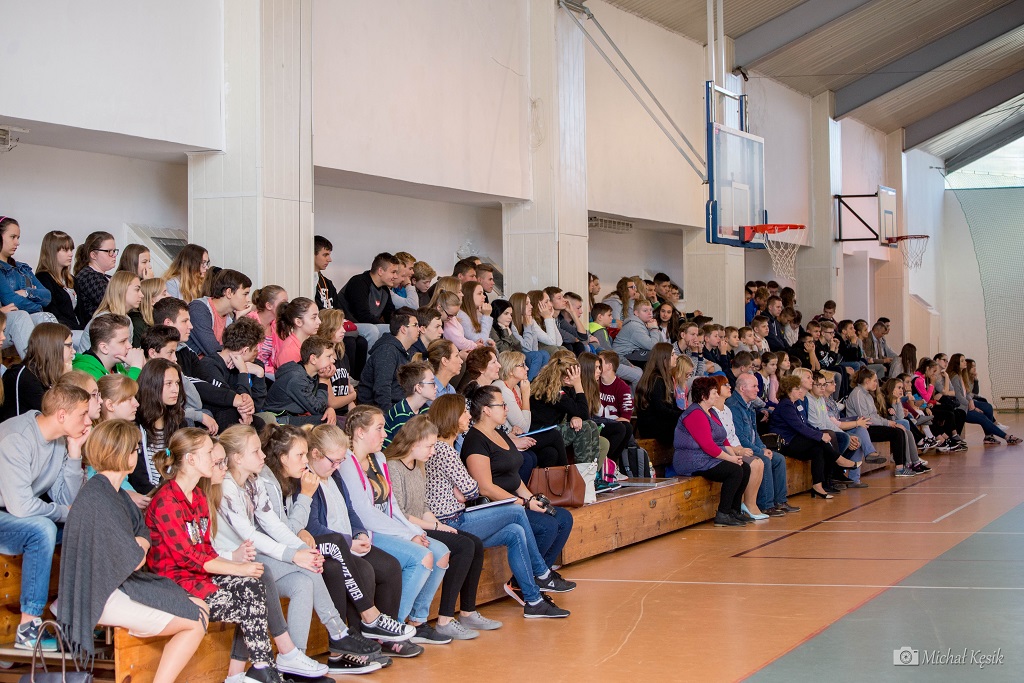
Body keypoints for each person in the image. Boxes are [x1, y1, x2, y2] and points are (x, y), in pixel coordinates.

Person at [144, 428, 320, 683]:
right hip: (177, 584)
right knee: (251, 600)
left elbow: (206, 550)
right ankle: (262, 670)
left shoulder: (198, 496)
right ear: (191, 460)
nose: (217, 459)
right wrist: (237, 568)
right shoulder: (167, 502)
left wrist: (240, 567)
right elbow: (189, 558)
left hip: (199, 577)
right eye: (209, 453)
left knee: (254, 585)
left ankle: (258, 669)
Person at [214, 425, 380, 674]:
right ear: (237, 458)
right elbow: (252, 535)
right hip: (233, 560)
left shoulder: (254, 481)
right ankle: (337, 631)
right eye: (256, 451)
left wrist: (303, 550)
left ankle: (295, 660)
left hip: (255, 556)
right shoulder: (229, 486)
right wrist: (296, 555)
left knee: (303, 582)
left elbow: (274, 525)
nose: (263, 455)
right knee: (309, 567)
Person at [57, 419, 206, 682]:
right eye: (135, 449)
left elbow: (142, 534)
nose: (137, 454)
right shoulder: (98, 496)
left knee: (199, 606)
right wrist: (140, 545)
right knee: (196, 620)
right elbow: (133, 558)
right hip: (101, 594)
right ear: (122, 453)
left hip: (117, 585)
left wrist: (141, 543)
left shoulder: (115, 493)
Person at [424, 394, 570, 618]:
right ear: (452, 416)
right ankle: (541, 572)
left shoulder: (446, 448)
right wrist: (463, 491)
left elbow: (467, 490)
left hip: (457, 515)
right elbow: (472, 489)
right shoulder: (445, 450)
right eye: (464, 412)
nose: (468, 416)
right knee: (515, 511)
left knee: (515, 532)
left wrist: (462, 491)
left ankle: (533, 601)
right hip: (451, 522)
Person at [302, 424, 420, 660]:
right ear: (315, 454)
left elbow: (350, 510)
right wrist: (348, 543)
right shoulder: (306, 480)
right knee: (364, 571)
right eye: (333, 461)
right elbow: (312, 527)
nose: (338, 466)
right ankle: (359, 639)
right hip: (330, 546)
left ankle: (383, 637)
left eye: (340, 461)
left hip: (348, 542)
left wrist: (359, 533)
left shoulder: (334, 474)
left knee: (390, 566)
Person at [339, 406, 451, 646]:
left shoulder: (378, 458)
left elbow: (392, 506)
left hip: (389, 527)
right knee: (423, 557)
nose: (385, 434)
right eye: (379, 428)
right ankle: (393, 627)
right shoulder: (347, 462)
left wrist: (414, 531)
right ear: (360, 432)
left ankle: (417, 622)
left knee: (441, 553)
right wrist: (407, 535)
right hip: (368, 532)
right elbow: (364, 514)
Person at [460, 385, 575, 601]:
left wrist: (530, 498)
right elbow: (485, 487)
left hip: (516, 500)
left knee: (563, 518)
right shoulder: (475, 440)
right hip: (498, 506)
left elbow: (513, 475)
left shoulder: (500, 434)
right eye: (501, 405)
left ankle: (531, 579)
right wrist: (523, 503)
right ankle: (530, 580)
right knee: (547, 526)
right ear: (486, 410)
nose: (506, 409)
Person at [386, 415, 494, 640]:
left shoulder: (418, 465)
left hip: (422, 524)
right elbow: (400, 514)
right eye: (429, 446)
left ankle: (467, 611)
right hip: (407, 527)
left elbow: (423, 505)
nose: (433, 451)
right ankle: (443, 619)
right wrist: (435, 526)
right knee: (463, 546)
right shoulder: (393, 467)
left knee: (473, 543)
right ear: (413, 443)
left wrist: (439, 525)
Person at [0, 383, 91, 651]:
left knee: (84, 525)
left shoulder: (60, 440)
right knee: (42, 530)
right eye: (83, 414)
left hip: (16, 514)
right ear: (61, 415)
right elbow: (22, 507)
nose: (88, 421)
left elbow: (67, 500)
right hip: (8, 513)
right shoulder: (17, 438)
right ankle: (28, 627)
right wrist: (64, 512)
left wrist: (74, 452)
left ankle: (71, 613)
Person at [673, 377, 751, 527]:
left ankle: (734, 510)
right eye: (714, 393)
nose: (717, 396)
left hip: (708, 457)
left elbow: (724, 439)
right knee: (734, 471)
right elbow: (707, 445)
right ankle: (723, 514)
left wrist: (734, 456)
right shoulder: (695, 414)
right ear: (704, 396)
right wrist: (730, 459)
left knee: (744, 467)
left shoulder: (711, 412)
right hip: (692, 460)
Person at [771, 374, 860, 498]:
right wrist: (820, 436)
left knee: (817, 450)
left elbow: (805, 424)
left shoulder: (794, 403)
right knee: (820, 441)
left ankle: (818, 486)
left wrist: (820, 433)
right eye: (797, 388)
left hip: (795, 440)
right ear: (788, 390)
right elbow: (799, 427)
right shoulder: (786, 405)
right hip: (786, 442)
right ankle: (839, 460)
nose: (800, 390)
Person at [727, 373, 798, 516]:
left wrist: (763, 448)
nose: (757, 390)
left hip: (752, 446)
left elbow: (755, 433)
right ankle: (766, 505)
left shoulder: (749, 405)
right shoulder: (734, 406)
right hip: (740, 449)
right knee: (764, 459)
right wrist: (760, 451)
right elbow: (740, 437)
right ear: (742, 388)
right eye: (754, 386)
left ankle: (780, 501)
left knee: (778, 458)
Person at [493, 350, 568, 469]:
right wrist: (526, 395)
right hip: (505, 438)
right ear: (510, 370)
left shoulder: (516, 388)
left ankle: (555, 480)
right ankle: (570, 474)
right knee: (555, 435)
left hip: (516, 434)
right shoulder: (503, 389)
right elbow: (524, 427)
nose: (527, 368)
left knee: (550, 453)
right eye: (522, 365)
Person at [708, 376, 766, 519]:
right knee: (749, 464)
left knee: (758, 462)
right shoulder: (712, 411)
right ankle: (740, 507)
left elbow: (733, 435)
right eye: (725, 385)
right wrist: (738, 451)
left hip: (733, 448)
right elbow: (718, 440)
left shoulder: (727, 410)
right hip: (724, 452)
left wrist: (740, 448)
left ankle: (748, 504)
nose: (730, 387)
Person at [128, 358, 187, 495]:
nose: (175, 389)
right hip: (145, 497)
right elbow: (137, 476)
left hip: (172, 494)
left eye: (177, 383)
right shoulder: (134, 424)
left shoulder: (179, 422)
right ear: (152, 385)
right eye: (169, 384)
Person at [196, 317, 267, 429]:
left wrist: (260, 374)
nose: (256, 354)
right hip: (217, 422)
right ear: (245, 350)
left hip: (238, 419)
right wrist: (243, 372)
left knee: (262, 423)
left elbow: (255, 407)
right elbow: (227, 399)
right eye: (254, 350)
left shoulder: (251, 365)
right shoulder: (209, 365)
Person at [846, 368, 917, 477]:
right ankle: (900, 468)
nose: (876, 383)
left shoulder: (868, 395)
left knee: (899, 431)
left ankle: (903, 466)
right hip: (861, 428)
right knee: (896, 433)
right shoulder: (858, 394)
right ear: (867, 381)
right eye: (874, 381)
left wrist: (889, 422)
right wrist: (888, 423)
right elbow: (865, 418)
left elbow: (875, 416)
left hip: (870, 426)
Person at [2, 322, 74, 419]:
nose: (73, 351)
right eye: (69, 346)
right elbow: (57, 416)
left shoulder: (46, 374)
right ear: (53, 347)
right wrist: (65, 380)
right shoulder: (24, 377)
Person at [356, 307, 419, 412]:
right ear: (403, 329)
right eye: (415, 325)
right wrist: (389, 416)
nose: (419, 329)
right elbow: (382, 389)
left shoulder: (409, 351)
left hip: (400, 406)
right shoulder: (387, 350)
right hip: (374, 412)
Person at [264, 336, 337, 426]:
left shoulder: (313, 374)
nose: (333, 360)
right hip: (278, 420)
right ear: (313, 359)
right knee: (325, 421)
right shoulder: (296, 378)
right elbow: (318, 410)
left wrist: (330, 409)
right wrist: (324, 381)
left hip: (291, 416)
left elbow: (320, 405)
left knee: (333, 419)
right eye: (329, 356)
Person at [948, 353, 1020, 445]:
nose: (965, 362)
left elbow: (967, 392)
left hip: (966, 404)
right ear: (956, 363)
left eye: (965, 360)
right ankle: (1006, 436)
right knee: (983, 417)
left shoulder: (961, 375)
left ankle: (989, 435)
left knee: (987, 407)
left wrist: (970, 400)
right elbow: (959, 396)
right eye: (962, 361)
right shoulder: (955, 377)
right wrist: (973, 406)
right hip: (961, 408)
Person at [187, 269, 253, 358]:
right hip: (197, 365)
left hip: (218, 365)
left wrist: (238, 319)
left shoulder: (231, 316)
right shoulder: (198, 309)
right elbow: (214, 351)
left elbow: (242, 349)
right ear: (229, 293)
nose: (248, 299)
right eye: (245, 294)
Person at [342, 252, 402, 348]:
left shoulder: (385, 290)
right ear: (380, 271)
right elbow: (362, 316)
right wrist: (383, 325)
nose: (396, 276)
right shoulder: (359, 282)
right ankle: (371, 359)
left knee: (397, 329)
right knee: (372, 330)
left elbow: (390, 315)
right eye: (393, 272)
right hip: (349, 324)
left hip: (369, 325)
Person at [77, 270, 144, 353]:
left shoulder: (127, 319)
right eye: (137, 289)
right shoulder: (105, 321)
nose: (142, 295)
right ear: (121, 290)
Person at [635, 343, 683, 446]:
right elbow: (661, 410)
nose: (676, 357)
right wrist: (682, 415)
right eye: (672, 354)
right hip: (653, 427)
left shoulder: (667, 377)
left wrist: (684, 413)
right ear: (663, 359)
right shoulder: (656, 380)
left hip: (663, 422)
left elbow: (673, 406)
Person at [71, 313, 145, 380]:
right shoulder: (85, 372)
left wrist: (144, 368)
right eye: (123, 341)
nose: (130, 346)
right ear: (104, 348)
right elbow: (126, 390)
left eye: (128, 340)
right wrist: (136, 367)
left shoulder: (116, 366)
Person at [35, 230, 82, 330]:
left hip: (78, 330)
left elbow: (81, 313)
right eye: (65, 250)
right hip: (61, 331)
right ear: (52, 252)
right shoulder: (43, 278)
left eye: (71, 250)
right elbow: (53, 314)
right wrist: (80, 329)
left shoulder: (72, 279)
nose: (71, 254)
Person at [317, 309, 359, 417]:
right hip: (330, 415)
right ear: (327, 328)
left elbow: (347, 389)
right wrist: (354, 395)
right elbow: (332, 403)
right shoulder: (323, 359)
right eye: (338, 327)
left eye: (342, 326)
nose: (343, 330)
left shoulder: (342, 355)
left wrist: (356, 416)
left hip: (344, 411)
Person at [383, 361, 436, 446]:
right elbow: (405, 448)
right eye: (432, 383)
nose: (436, 387)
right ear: (418, 388)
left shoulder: (425, 409)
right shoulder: (401, 413)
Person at [507, 292, 555, 380]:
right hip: (515, 356)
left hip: (527, 355)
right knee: (537, 355)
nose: (531, 306)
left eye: (530, 303)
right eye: (527, 304)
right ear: (518, 306)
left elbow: (534, 348)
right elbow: (527, 348)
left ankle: (539, 383)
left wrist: (550, 318)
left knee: (544, 354)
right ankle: (528, 384)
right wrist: (528, 327)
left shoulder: (529, 320)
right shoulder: (512, 324)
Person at [73, 231, 117, 323]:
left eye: (114, 251)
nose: (114, 255)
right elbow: (115, 302)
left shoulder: (107, 277)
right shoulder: (87, 276)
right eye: (109, 251)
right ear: (93, 255)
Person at [246, 285, 288, 378]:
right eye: (283, 303)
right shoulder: (249, 323)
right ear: (269, 305)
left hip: (269, 373)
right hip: (251, 372)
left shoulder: (276, 326)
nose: (287, 306)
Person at [612, 299, 662, 366]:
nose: (649, 313)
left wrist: (655, 328)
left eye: (650, 310)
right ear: (636, 313)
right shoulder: (634, 326)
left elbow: (660, 343)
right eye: (645, 311)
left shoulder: (645, 323)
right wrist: (654, 329)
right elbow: (652, 346)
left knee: (662, 353)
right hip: (622, 356)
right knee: (657, 356)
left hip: (632, 352)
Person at [545, 286, 588, 354]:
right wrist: (575, 339)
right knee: (567, 346)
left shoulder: (560, 319)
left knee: (579, 345)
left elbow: (583, 336)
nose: (564, 300)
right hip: (549, 348)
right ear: (550, 302)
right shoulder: (546, 319)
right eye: (559, 298)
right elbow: (563, 336)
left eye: (563, 297)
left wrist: (572, 312)